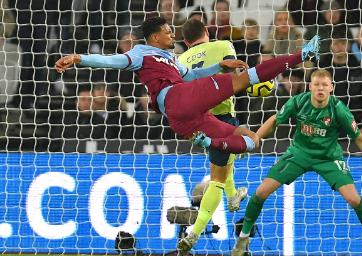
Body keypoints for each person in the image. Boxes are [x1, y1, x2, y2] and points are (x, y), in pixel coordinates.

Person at [55, 16, 321, 159]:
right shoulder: (140, 53)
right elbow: (110, 61)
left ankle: (209, 142)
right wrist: (79, 58)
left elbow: (193, 75)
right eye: (169, 31)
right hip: (176, 100)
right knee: (246, 78)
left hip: (184, 118)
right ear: (155, 36)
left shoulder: (171, 59)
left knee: (252, 139)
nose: (173, 35)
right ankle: (303, 56)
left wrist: (219, 67)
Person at [231, 69, 362, 256]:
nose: (320, 88)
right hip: (299, 153)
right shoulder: (299, 101)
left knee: (354, 199)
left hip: (329, 158)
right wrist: (254, 140)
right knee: (261, 192)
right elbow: (275, 120)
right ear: (310, 87)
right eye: (316, 85)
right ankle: (243, 238)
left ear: (331, 88)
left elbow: (360, 139)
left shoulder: (339, 109)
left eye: (324, 85)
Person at [176, 18, 249, 252]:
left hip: (196, 122)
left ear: (186, 42)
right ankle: (194, 232)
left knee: (224, 161)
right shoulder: (223, 46)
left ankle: (233, 195)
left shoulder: (180, 60)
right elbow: (235, 74)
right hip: (222, 118)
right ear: (206, 32)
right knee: (216, 177)